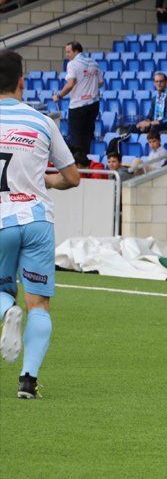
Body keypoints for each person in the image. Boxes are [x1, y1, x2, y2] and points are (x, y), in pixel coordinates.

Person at [0, 49, 81, 399]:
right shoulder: (41, 121)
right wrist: (45, 181)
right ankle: (28, 381)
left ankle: (7, 309)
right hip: (36, 219)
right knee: (41, 305)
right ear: (22, 81)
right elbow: (73, 177)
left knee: (4, 293)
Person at [53, 41, 102, 153]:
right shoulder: (94, 63)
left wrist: (59, 95)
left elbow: (71, 83)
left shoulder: (72, 64)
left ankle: (77, 165)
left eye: (68, 52)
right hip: (94, 104)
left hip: (78, 106)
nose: (67, 54)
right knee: (88, 136)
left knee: (76, 138)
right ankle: (85, 163)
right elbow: (100, 83)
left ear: (76, 51)